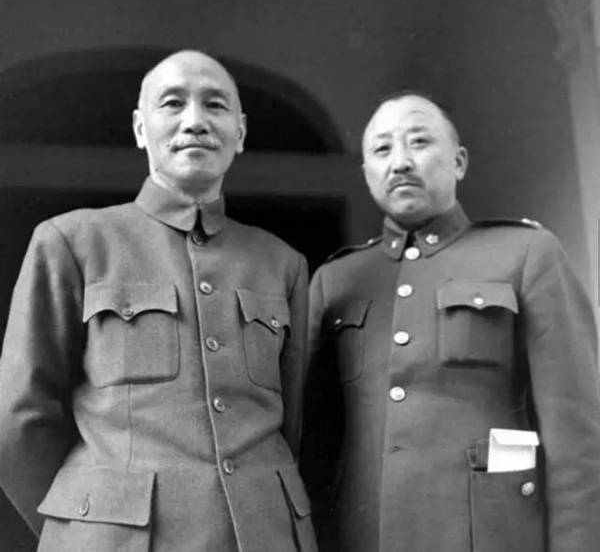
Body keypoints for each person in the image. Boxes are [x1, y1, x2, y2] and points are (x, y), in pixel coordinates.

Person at [0, 49, 316, 551]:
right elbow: (19, 421)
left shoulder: (282, 263)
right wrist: (83, 523)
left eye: (215, 105)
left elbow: (294, 425)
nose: (195, 121)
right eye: (172, 103)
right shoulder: (74, 241)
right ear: (140, 127)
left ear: (240, 131)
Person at [303, 91, 600, 551]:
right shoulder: (335, 280)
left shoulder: (525, 254)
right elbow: (317, 446)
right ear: (365, 174)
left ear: (459, 161)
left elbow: (577, 437)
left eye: (419, 142)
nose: (400, 162)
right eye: (382, 150)